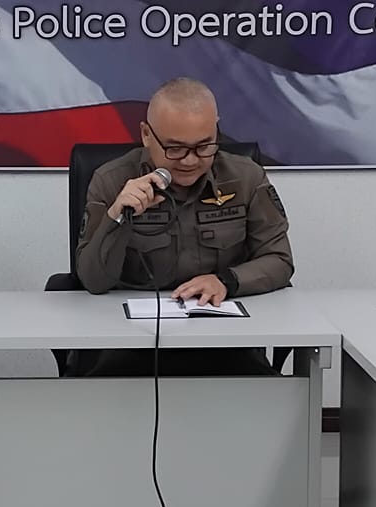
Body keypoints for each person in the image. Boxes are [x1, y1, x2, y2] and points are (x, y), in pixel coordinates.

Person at [75, 77, 294, 377]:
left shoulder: (246, 178)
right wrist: (117, 215)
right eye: (175, 148)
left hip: (224, 339)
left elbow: (279, 260)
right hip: (131, 340)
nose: (190, 161)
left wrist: (227, 281)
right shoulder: (111, 181)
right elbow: (92, 280)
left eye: (204, 146)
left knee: (270, 391)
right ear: (146, 135)